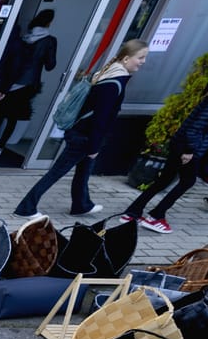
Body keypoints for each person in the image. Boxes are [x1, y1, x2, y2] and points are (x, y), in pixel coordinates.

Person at [124, 57, 208, 234]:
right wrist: (189, 151)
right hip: (188, 146)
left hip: (182, 142)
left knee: (165, 179)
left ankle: (133, 212)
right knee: (187, 181)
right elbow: (199, 124)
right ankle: (156, 215)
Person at [13, 39, 149, 218]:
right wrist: (94, 147)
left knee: (83, 172)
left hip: (83, 134)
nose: (143, 61)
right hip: (84, 137)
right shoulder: (113, 82)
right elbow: (100, 118)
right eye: (140, 57)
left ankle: (81, 204)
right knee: (56, 173)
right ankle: (25, 208)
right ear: (125, 59)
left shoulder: (109, 74)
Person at [0, 9, 58, 164]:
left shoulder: (24, 37)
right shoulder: (49, 41)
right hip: (28, 84)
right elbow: (50, 65)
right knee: (13, 118)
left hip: (10, 81)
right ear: (49, 23)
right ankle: (0, 147)